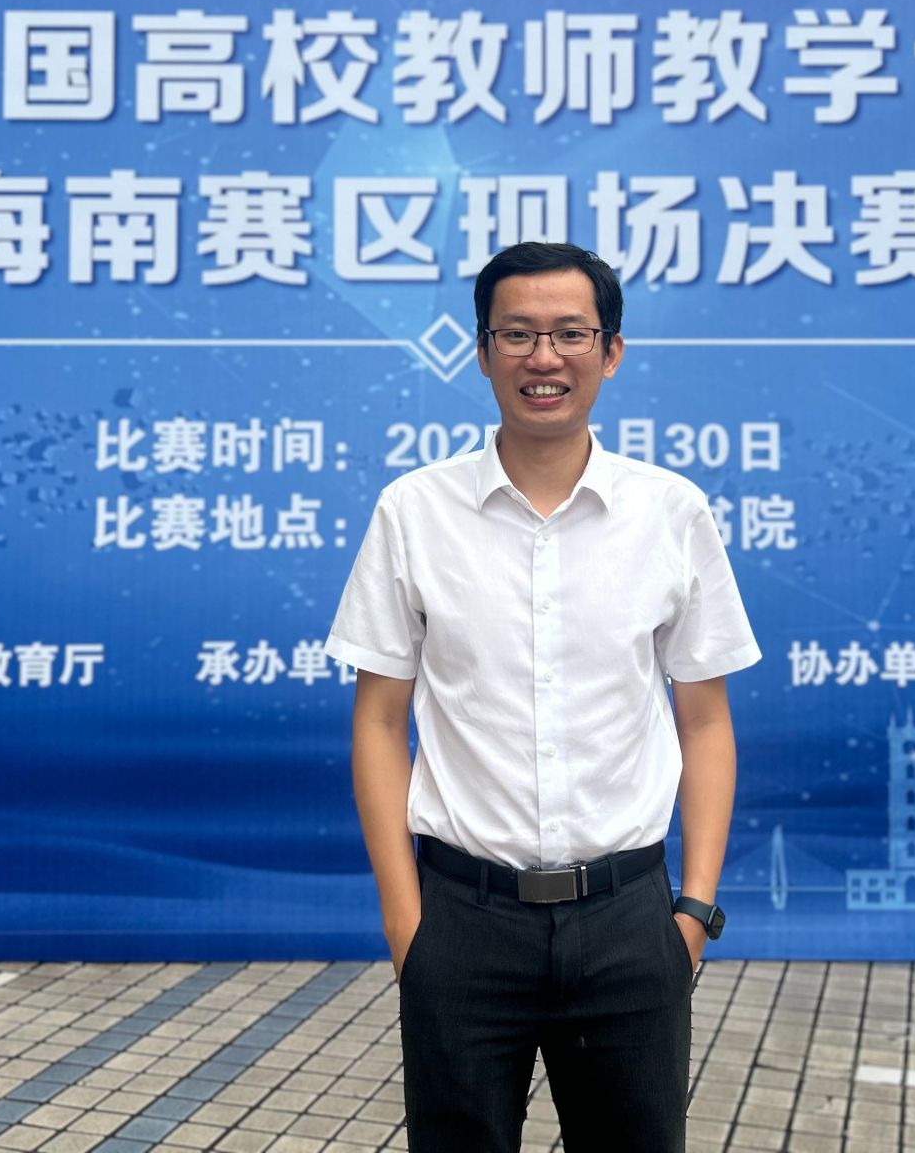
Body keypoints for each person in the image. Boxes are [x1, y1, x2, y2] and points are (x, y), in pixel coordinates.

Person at [323, 241, 761, 1152]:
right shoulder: (415, 510)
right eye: (517, 334)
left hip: (630, 918)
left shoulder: (670, 511)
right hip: (462, 920)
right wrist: (407, 925)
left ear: (612, 351)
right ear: (482, 353)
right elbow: (379, 720)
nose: (543, 357)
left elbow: (705, 719)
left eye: (570, 333)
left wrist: (693, 913)